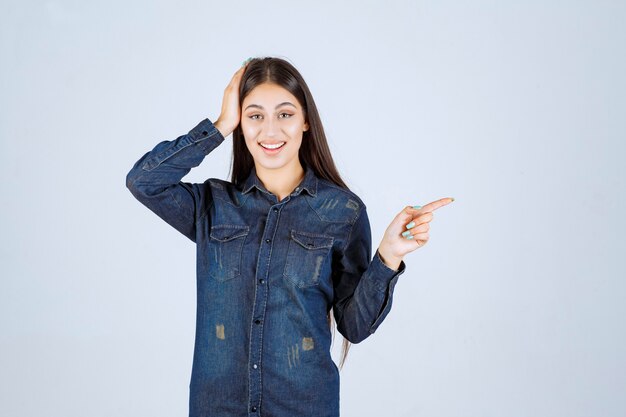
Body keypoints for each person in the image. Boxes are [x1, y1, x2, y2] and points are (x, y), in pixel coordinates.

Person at [126, 56, 454, 417]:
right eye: (255, 116)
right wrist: (220, 125)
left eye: (284, 114)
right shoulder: (213, 205)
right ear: (241, 122)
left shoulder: (342, 212)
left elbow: (355, 327)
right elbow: (143, 181)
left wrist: (388, 256)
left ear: (305, 122)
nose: (270, 131)